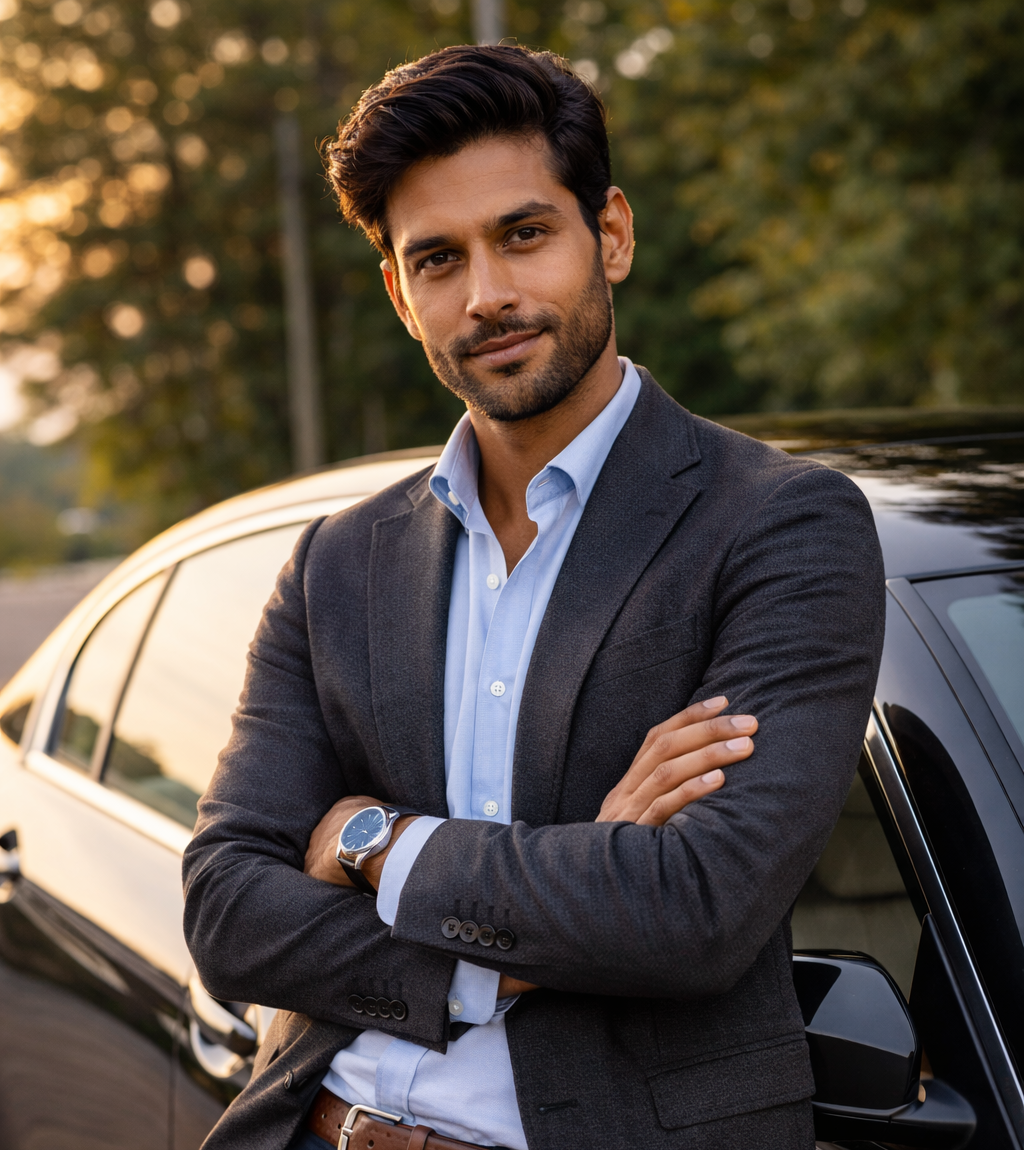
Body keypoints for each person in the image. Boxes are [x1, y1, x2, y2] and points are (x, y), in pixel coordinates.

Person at [182, 44, 885, 1150]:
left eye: (523, 234)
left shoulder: (779, 525)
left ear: (609, 232)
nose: (489, 295)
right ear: (399, 296)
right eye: (437, 261)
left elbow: (694, 908)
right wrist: (538, 928)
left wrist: (374, 842)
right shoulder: (336, 562)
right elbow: (226, 907)